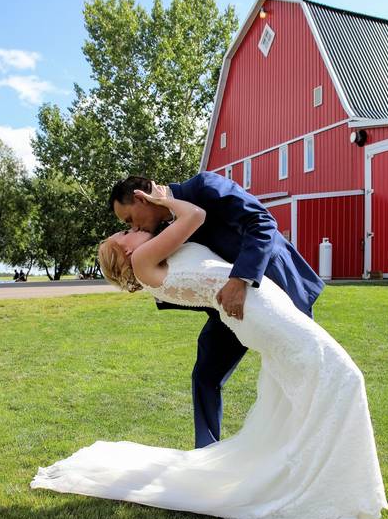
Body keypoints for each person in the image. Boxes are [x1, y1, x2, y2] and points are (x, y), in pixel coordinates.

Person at [31, 192, 387, 519]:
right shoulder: (142, 259)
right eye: (124, 231)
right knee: (343, 377)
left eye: (126, 225)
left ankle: (331, 497)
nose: (130, 229)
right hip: (256, 310)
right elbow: (195, 217)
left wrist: (160, 205)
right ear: (125, 251)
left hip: (257, 301)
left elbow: (222, 226)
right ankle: (342, 504)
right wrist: (164, 200)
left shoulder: (153, 252)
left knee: (308, 388)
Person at [107, 173, 324, 448]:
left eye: (129, 220)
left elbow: (262, 222)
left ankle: (310, 448)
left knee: (302, 369)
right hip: (228, 308)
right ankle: (206, 452)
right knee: (205, 375)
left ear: (141, 197)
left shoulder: (205, 187)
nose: (134, 227)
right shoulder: (162, 232)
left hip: (276, 286)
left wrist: (239, 280)